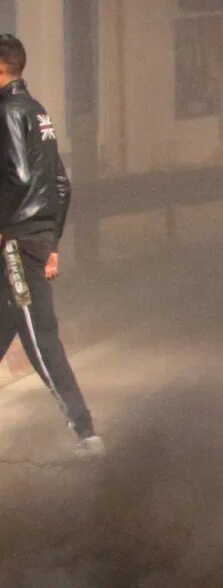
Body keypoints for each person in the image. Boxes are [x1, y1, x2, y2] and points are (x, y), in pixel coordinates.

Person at [0, 35, 99, 449]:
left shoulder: (6, 111)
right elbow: (61, 182)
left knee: (41, 342)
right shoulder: (37, 111)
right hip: (34, 238)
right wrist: (53, 240)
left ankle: (87, 435)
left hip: (16, 244)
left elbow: (19, 176)